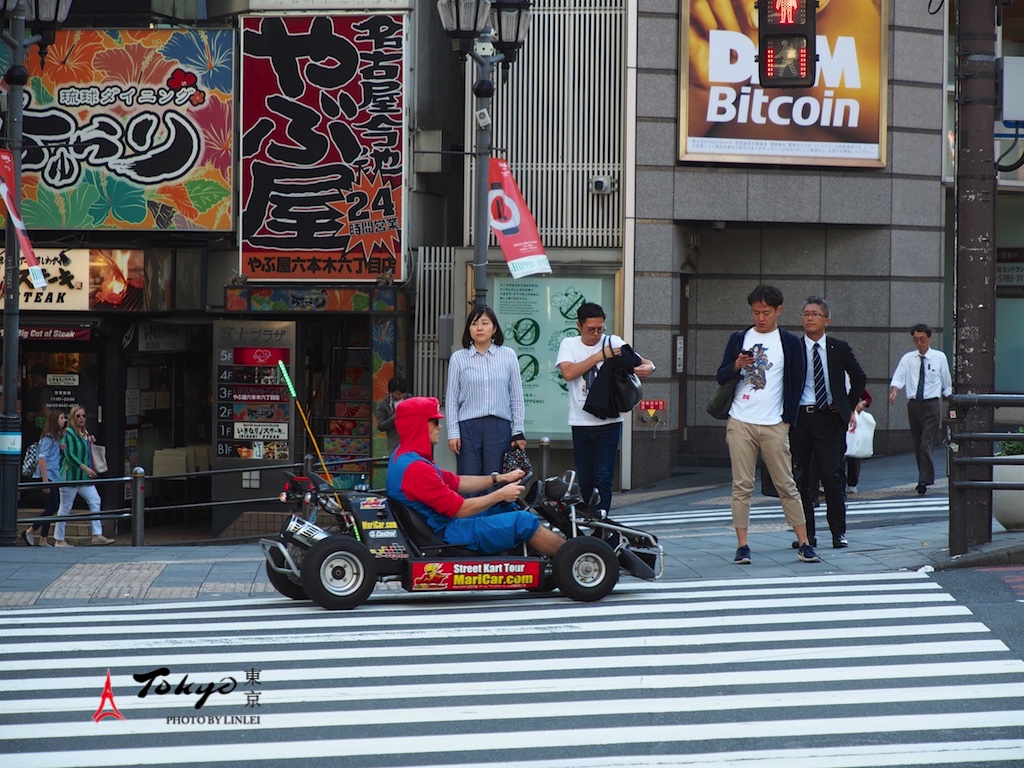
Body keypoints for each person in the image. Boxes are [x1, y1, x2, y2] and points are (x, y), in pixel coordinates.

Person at [715, 284, 819, 565]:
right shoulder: (739, 338)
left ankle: (805, 542)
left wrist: (787, 422)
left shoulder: (790, 342)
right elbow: (721, 375)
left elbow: (797, 383)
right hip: (740, 420)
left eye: (766, 312)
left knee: (787, 484)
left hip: (774, 423)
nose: (760, 317)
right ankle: (742, 545)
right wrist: (736, 365)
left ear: (778, 311)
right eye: (756, 312)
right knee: (741, 486)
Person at [386, 396, 565, 555]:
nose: (440, 426)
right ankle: (574, 559)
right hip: (448, 533)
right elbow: (460, 509)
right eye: (435, 421)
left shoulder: (403, 457)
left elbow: (457, 482)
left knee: (507, 509)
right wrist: (500, 494)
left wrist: (499, 478)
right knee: (524, 521)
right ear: (419, 425)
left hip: (440, 525)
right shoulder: (417, 468)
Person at [556, 302, 655, 514]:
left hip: (610, 422)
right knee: (586, 480)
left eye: (600, 329)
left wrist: (649, 367)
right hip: (580, 422)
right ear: (579, 326)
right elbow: (568, 373)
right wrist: (599, 357)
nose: (596, 334)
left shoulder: (612, 341)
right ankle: (591, 524)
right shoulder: (569, 344)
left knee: (603, 478)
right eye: (590, 329)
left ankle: (601, 527)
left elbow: (641, 360)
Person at [789, 297, 866, 550]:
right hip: (800, 418)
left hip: (829, 418)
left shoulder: (838, 347)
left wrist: (845, 405)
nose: (809, 318)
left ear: (826, 320)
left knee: (831, 476)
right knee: (802, 478)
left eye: (814, 314)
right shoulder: (793, 348)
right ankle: (807, 535)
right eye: (805, 314)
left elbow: (859, 377)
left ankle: (838, 532)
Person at [445, 306, 526, 476]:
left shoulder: (508, 355)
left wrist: (518, 430)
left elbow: (516, 397)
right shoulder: (459, 358)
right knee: (469, 480)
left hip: (499, 426)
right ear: (469, 328)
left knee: (496, 480)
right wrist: (453, 432)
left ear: (494, 328)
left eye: (485, 323)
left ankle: (494, 504)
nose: (479, 328)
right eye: (474, 324)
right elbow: (452, 399)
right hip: (468, 427)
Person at [888, 324, 953, 495]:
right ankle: (923, 475)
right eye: (916, 340)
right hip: (914, 405)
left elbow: (946, 381)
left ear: (929, 338)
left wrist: (949, 398)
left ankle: (924, 480)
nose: (919, 343)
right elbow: (899, 377)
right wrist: (894, 390)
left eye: (922, 339)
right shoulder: (908, 358)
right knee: (918, 442)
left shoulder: (939, 357)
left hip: (931, 404)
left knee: (926, 443)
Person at [54, 405, 114, 547]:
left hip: (83, 477)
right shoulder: (68, 433)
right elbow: (69, 454)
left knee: (95, 500)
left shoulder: (85, 433)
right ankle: (59, 539)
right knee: (65, 507)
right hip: (70, 475)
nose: (81, 418)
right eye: (78, 416)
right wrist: (85, 467)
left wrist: (90, 442)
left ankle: (97, 534)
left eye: (83, 415)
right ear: (73, 418)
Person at [22, 409, 66, 547]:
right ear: (55, 420)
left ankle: (43, 539)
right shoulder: (47, 439)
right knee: (52, 506)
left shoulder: (55, 438)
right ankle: (31, 530)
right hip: (48, 476)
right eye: (62, 418)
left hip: (53, 475)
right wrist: (45, 481)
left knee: (50, 506)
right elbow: (42, 459)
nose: (64, 420)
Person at [845, 387, 872, 494]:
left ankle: (852, 482)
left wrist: (862, 404)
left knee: (853, 450)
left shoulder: (854, 382)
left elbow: (867, 398)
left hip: (853, 419)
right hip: (838, 417)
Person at [376, 376, 408, 456]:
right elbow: (380, 426)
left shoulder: (409, 399)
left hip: (411, 441)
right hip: (395, 443)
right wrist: (395, 417)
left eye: (402, 393)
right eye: (398, 394)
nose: (400, 396)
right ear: (391, 392)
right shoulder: (383, 404)